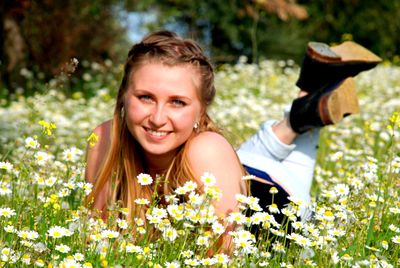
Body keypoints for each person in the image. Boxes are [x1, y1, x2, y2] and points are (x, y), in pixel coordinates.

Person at [85, 31, 381, 234]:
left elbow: (222, 258)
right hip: (236, 167)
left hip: (278, 195)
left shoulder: (207, 150)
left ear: (201, 111)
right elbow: (94, 237)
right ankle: (307, 97)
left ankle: (306, 107)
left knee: (298, 186)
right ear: (123, 95)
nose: (158, 118)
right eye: (145, 97)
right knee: (241, 157)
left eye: (177, 102)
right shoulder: (104, 141)